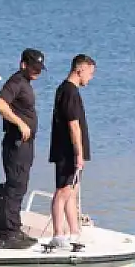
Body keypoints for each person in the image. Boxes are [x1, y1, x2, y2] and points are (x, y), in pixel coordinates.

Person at [0, 48, 46, 249]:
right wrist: (20, 124)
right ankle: (9, 235)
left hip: (24, 144)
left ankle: (8, 227)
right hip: (16, 142)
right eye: (33, 67)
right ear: (23, 64)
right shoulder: (16, 81)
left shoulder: (25, 83)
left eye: (39, 68)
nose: (37, 71)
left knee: (19, 184)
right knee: (16, 185)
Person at [47, 54, 96, 249]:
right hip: (67, 151)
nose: (90, 78)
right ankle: (58, 234)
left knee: (72, 191)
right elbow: (73, 124)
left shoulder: (68, 90)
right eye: (90, 73)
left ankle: (74, 232)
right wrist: (78, 153)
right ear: (80, 70)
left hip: (70, 151)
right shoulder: (69, 92)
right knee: (63, 191)